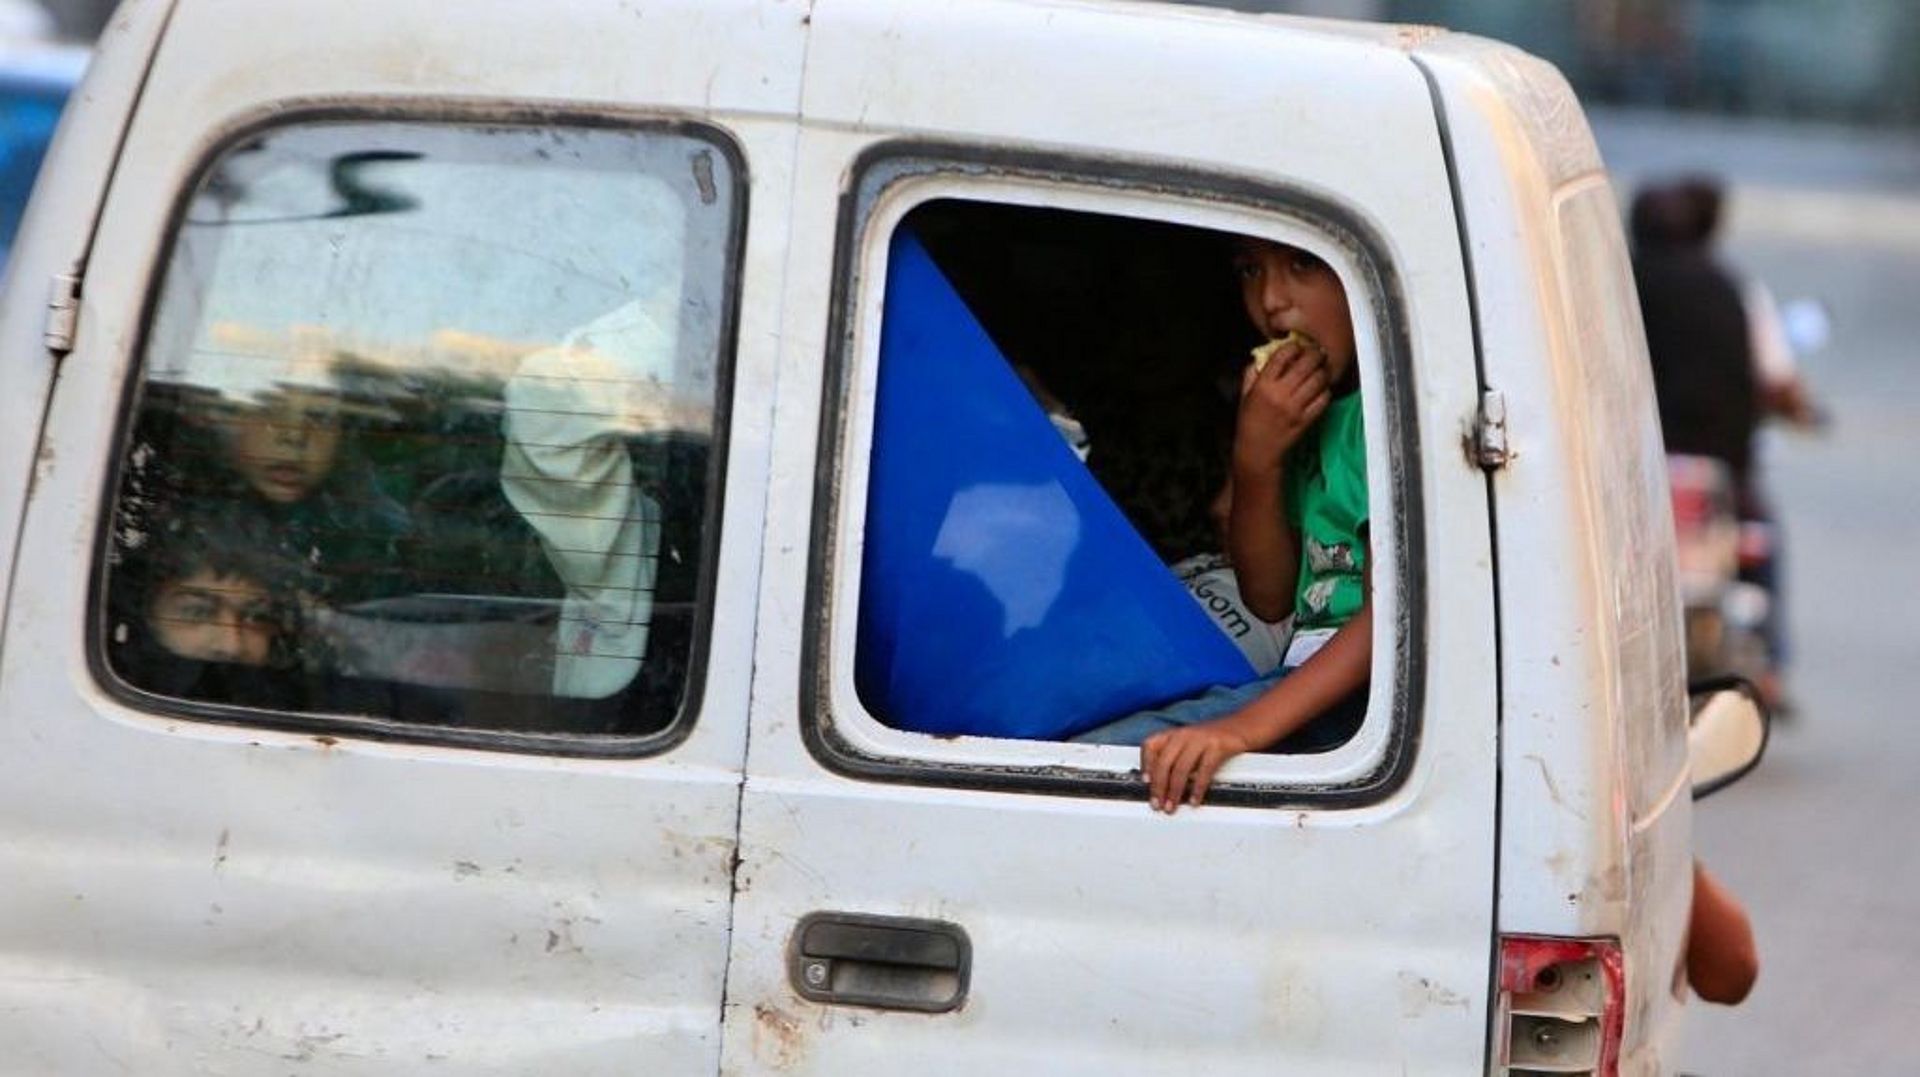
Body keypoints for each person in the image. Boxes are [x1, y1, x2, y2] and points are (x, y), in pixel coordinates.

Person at [1076, 237, 1371, 812]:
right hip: (1302, 675)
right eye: (1250, 270)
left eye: (1302, 264)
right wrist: (1255, 459)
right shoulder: (1313, 415)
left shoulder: (1388, 414)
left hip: (1363, 701)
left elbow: (1397, 619)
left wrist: (1241, 731)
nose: (1271, 301)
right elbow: (1269, 597)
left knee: (1100, 763)